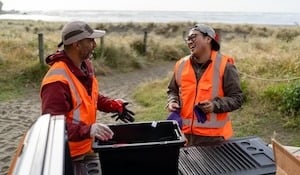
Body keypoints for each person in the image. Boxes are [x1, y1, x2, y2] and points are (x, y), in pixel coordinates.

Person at [40, 21, 134, 159]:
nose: (94, 45)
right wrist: (88, 130)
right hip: (67, 155)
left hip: (87, 147)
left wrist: (113, 104)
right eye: (90, 41)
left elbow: (90, 98)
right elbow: (53, 125)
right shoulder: (56, 82)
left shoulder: (85, 66)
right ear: (76, 45)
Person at [166, 23, 243, 146]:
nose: (189, 41)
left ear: (208, 39)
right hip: (183, 136)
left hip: (214, 140)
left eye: (194, 37)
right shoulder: (181, 64)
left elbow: (237, 98)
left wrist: (214, 106)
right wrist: (172, 101)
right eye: (188, 38)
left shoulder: (225, 66)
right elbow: (172, 90)